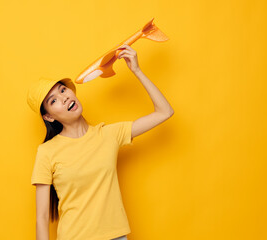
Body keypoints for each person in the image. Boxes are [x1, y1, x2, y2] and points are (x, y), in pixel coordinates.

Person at [27, 44, 174, 240]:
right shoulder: (46, 152)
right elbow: (42, 217)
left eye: (63, 90)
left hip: (116, 236)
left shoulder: (109, 134)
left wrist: (136, 70)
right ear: (49, 117)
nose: (63, 98)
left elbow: (165, 112)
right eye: (53, 101)